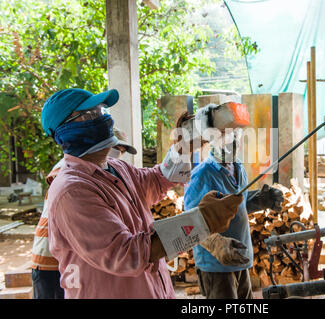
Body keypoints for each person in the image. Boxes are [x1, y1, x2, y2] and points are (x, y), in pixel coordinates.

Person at [40, 88, 242, 298]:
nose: (105, 119)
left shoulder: (117, 168)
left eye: (101, 110)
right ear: (65, 131)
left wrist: (184, 145)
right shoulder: (72, 191)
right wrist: (201, 221)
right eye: (91, 114)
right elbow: (126, 254)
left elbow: (157, 179)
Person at [31, 127, 137, 299]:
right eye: (116, 149)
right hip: (50, 261)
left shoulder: (102, 173)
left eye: (123, 152)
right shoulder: (72, 168)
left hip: (70, 261)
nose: (119, 156)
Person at [184, 118, 284, 299]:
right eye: (224, 136)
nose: (231, 140)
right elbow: (189, 224)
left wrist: (259, 201)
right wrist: (216, 244)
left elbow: (237, 203)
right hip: (216, 266)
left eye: (234, 135)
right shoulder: (202, 175)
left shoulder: (238, 167)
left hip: (239, 259)